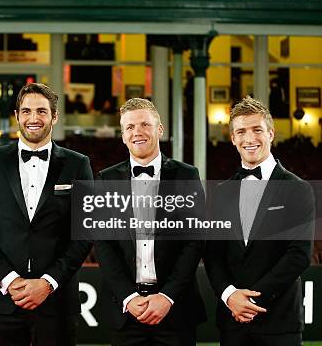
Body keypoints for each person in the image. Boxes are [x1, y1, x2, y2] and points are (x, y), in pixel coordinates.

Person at [0, 83, 93, 346]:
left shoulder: (78, 164)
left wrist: (48, 283)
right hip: (2, 301)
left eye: (41, 111)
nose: (33, 119)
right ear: (17, 116)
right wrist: (9, 280)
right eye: (26, 111)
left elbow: (84, 232)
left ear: (54, 117)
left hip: (57, 301)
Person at [94, 98, 206, 346]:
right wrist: (129, 297)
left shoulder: (186, 174)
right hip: (126, 311)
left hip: (176, 309)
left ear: (160, 129)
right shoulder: (106, 179)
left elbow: (194, 242)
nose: (137, 132)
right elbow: (104, 245)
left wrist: (167, 296)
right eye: (130, 127)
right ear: (123, 136)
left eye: (145, 124)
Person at [204, 96, 314, 346]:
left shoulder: (298, 189)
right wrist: (230, 296)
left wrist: (251, 301)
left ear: (271, 133)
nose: (249, 138)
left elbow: (298, 254)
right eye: (241, 131)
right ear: (233, 139)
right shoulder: (221, 192)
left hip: (279, 323)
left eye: (257, 129)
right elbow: (212, 254)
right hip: (232, 324)